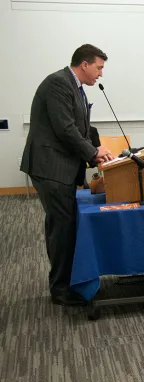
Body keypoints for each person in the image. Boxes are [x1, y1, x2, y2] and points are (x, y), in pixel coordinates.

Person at [21, 44, 115, 306]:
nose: (100, 74)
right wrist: (93, 154)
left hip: (61, 167)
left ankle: (71, 281)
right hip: (50, 168)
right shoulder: (58, 83)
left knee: (67, 225)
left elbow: (80, 127)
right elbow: (65, 128)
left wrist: (95, 147)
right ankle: (61, 290)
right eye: (99, 67)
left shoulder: (75, 88)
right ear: (84, 64)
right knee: (61, 228)